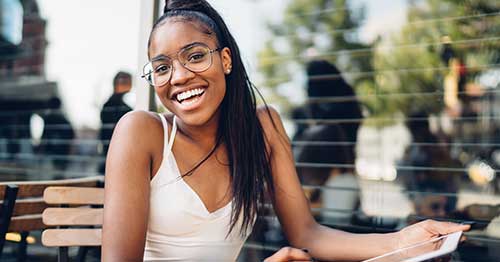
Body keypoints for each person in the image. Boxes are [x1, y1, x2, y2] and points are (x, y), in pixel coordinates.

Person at [102, 1, 469, 261]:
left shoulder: (263, 128)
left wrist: (403, 241)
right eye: (161, 67)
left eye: (195, 56)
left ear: (225, 60)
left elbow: (308, 235)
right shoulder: (142, 132)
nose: (179, 77)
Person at [98, 71, 133, 174]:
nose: (130, 85)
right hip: (115, 153)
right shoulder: (112, 106)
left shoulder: (114, 105)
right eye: (126, 82)